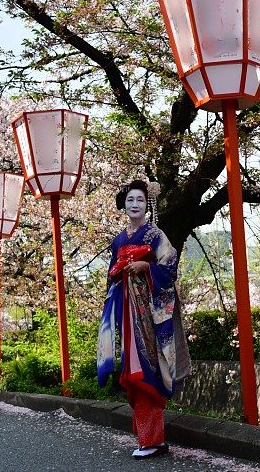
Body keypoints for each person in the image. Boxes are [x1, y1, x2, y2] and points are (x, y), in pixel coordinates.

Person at [97, 179, 191, 459]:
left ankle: (151, 441)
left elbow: (170, 267)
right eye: (130, 201)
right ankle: (149, 440)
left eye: (139, 200)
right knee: (132, 371)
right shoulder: (118, 240)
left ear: (147, 205)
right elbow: (110, 274)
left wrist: (146, 266)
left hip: (149, 313)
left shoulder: (156, 235)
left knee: (146, 371)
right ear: (124, 206)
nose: (134, 205)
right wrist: (118, 271)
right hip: (128, 311)